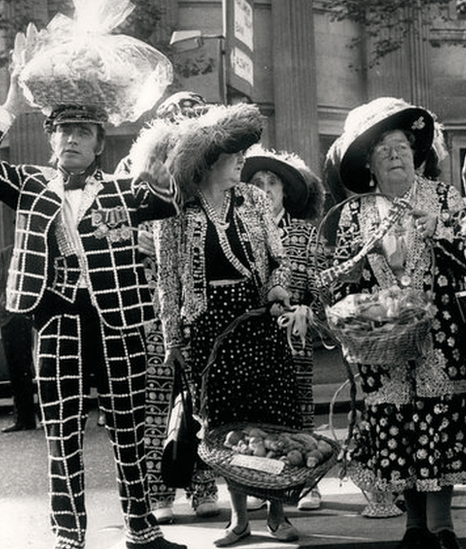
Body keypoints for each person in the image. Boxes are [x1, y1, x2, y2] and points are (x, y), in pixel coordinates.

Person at [0, 68, 185, 549]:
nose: (72, 139)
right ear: (51, 137)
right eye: (64, 130)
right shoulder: (28, 185)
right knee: (62, 432)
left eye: (84, 132)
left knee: (129, 428)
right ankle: (67, 535)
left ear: (100, 143)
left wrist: (167, 159)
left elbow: (169, 199)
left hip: (117, 321)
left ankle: (141, 529)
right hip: (56, 317)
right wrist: (9, 107)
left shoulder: (124, 191)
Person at [324, 97, 466, 549]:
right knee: (398, 427)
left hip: (442, 339)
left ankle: (443, 526)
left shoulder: (446, 199)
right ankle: (413, 527)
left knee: (440, 425)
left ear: (417, 155)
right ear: (369, 163)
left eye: (402, 146)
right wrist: (347, 301)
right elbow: (341, 277)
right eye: (383, 148)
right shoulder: (354, 212)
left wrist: (443, 232)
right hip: (382, 343)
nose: (394, 154)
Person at [150, 103, 300, 547]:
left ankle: (276, 514)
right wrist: (172, 338)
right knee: (224, 424)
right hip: (207, 328)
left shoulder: (253, 200)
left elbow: (279, 261)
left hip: (257, 319)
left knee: (273, 418)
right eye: (233, 154)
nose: (241, 161)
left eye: (241, 154)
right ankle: (238, 519)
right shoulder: (176, 211)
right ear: (208, 159)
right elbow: (167, 280)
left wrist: (277, 288)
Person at [121, 91, 221, 524]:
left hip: (203, 304)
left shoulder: (212, 182)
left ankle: (204, 485)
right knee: (157, 398)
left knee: (205, 397)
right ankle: (157, 492)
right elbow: (113, 230)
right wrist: (136, 239)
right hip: (153, 302)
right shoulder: (136, 175)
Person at [241, 145, 327, 513]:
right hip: (250, 340)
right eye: (256, 182)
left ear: (284, 190)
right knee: (257, 418)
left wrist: (309, 311)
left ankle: (307, 484)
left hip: (294, 338)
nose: (264, 188)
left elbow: (327, 289)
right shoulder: (238, 232)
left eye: (271, 182)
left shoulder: (306, 236)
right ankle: (262, 483)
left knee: (299, 412)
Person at [0, 244, 39, 433]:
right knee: (17, 371)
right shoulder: (6, 253)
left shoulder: (35, 249)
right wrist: (2, 305)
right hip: (10, 319)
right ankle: (24, 419)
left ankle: (47, 417)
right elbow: (0, 285)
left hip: (31, 317)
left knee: (37, 369)